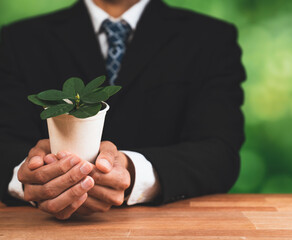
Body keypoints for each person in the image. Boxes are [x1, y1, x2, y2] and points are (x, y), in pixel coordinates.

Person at [0, 0, 246, 219]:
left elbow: (220, 152)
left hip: (165, 228)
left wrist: (133, 172)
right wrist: (33, 175)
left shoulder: (211, 38)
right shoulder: (17, 40)